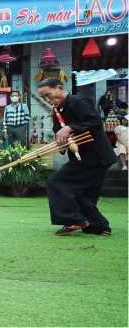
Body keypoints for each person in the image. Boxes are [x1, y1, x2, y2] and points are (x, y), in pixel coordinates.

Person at [38, 77, 118, 237]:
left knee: (56, 182)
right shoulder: (57, 112)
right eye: (44, 97)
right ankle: (99, 227)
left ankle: (73, 219)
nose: (48, 100)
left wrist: (69, 128)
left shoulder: (77, 101)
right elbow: (59, 134)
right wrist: (61, 144)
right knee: (84, 193)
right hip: (84, 156)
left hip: (96, 155)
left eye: (49, 94)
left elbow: (95, 123)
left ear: (60, 88)